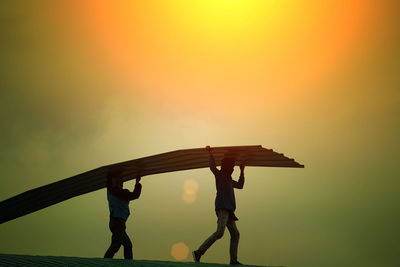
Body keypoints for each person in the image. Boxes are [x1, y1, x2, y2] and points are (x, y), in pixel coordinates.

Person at [193, 146, 245, 265]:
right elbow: (212, 167)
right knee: (219, 233)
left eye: (233, 168)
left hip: (229, 211)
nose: (232, 169)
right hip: (222, 208)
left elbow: (241, 185)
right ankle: (199, 252)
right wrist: (210, 153)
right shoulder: (220, 175)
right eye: (230, 167)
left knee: (235, 234)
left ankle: (233, 260)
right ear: (225, 167)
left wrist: (242, 171)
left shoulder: (229, 180)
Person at [104, 169, 142, 259]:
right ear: (113, 181)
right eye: (118, 180)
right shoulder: (116, 191)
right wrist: (137, 183)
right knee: (116, 245)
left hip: (117, 223)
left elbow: (131, 195)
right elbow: (135, 195)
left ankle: (128, 263)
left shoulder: (111, 190)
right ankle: (105, 262)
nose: (121, 182)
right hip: (118, 223)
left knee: (127, 245)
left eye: (121, 180)